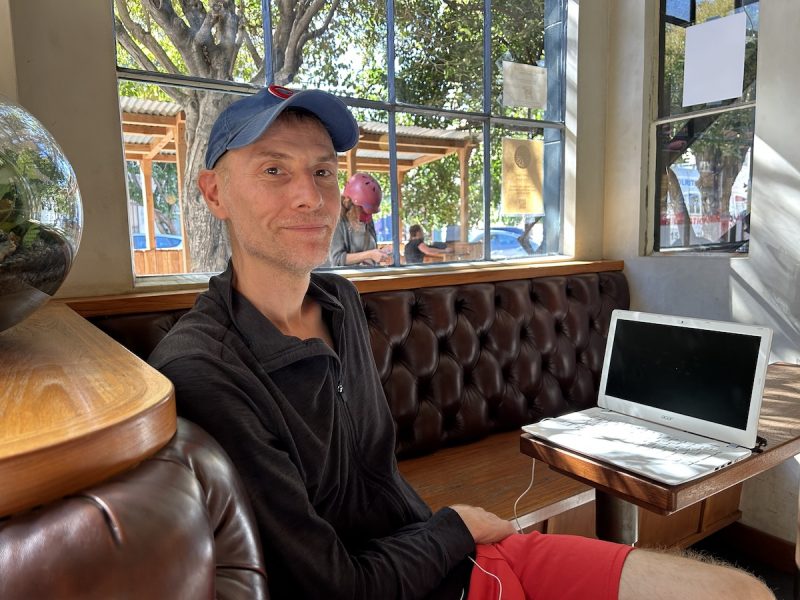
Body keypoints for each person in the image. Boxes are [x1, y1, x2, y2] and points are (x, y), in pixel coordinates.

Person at [148, 84, 775, 600]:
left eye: (322, 171)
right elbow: (331, 587)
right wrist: (454, 527)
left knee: (741, 593)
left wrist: (448, 536)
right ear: (214, 193)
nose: (310, 196)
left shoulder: (339, 302)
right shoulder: (206, 368)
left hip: (452, 558)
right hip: (427, 565)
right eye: (274, 170)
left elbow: (374, 477)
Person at [327, 171, 390, 266]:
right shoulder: (337, 219)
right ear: (351, 204)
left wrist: (380, 253)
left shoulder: (367, 219)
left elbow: (370, 250)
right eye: (364, 211)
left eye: (370, 212)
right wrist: (369, 254)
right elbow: (336, 259)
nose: (368, 216)